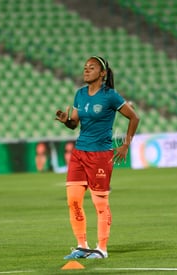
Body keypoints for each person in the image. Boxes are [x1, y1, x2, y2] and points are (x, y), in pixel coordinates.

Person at [55, 56, 139, 259]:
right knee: (73, 200)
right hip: (79, 153)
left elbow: (134, 117)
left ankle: (102, 249)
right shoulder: (80, 94)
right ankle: (82, 246)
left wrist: (126, 144)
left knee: (100, 203)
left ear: (102, 73)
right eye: (84, 67)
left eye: (91, 68)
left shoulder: (110, 96)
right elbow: (74, 123)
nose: (86, 70)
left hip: (100, 155)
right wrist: (67, 121)